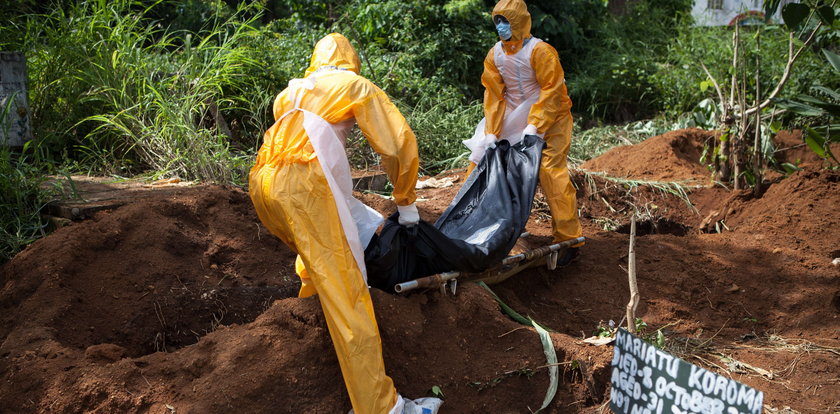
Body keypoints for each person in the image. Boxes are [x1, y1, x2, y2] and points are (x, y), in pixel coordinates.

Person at [249, 33, 442, 414]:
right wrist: (405, 201)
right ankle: (383, 408)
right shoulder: (354, 85)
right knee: (349, 294)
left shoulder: (289, 93)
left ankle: (312, 318)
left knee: (314, 262)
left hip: (263, 184)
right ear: (350, 60)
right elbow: (399, 144)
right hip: (305, 188)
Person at [464, 0, 583, 263]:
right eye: (497, 21)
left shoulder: (541, 51)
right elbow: (494, 95)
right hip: (514, 114)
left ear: (520, 22)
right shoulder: (494, 54)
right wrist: (493, 131)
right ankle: (469, 225)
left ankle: (568, 239)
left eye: (506, 21)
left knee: (549, 171)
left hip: (553, 118)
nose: (502, 27)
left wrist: (535, 125)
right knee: (482, 159)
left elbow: (552, 90)